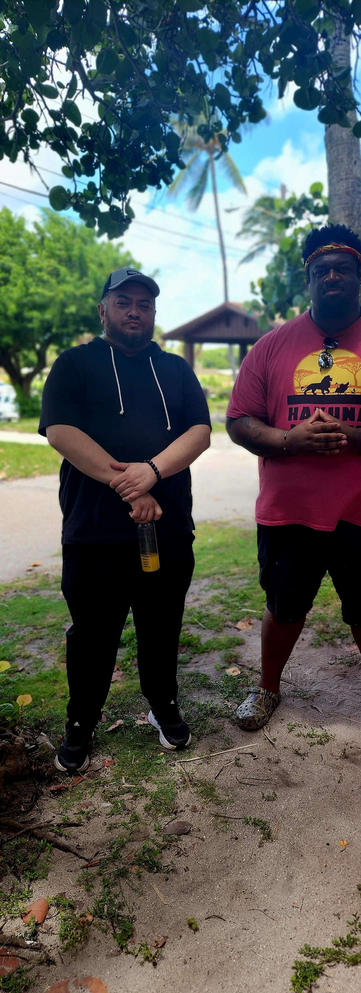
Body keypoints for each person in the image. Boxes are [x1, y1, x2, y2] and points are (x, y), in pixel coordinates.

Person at [226, 225, 361, 756]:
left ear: (358, 276)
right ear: (308, 278)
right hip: (289, 512)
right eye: (321, 269)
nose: (331, 276)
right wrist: (289, 439)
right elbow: (238, 420)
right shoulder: (272, 347)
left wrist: (357, 437)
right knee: (283, 605)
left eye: (342, 268)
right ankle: (267, 689)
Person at [39, 268, 211, 773]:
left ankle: (165, 707)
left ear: (154, 314)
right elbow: (61, 431)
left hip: (169, 527)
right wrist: (129, 485)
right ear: (103, 309)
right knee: (92, 635)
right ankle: (80, 724)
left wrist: (153, 472)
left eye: (145, 304)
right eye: (124, 302)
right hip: (94, 533)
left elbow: (199, 431)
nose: (135, 311)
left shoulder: (176, 369)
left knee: (162, 626)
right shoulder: (74, 364)